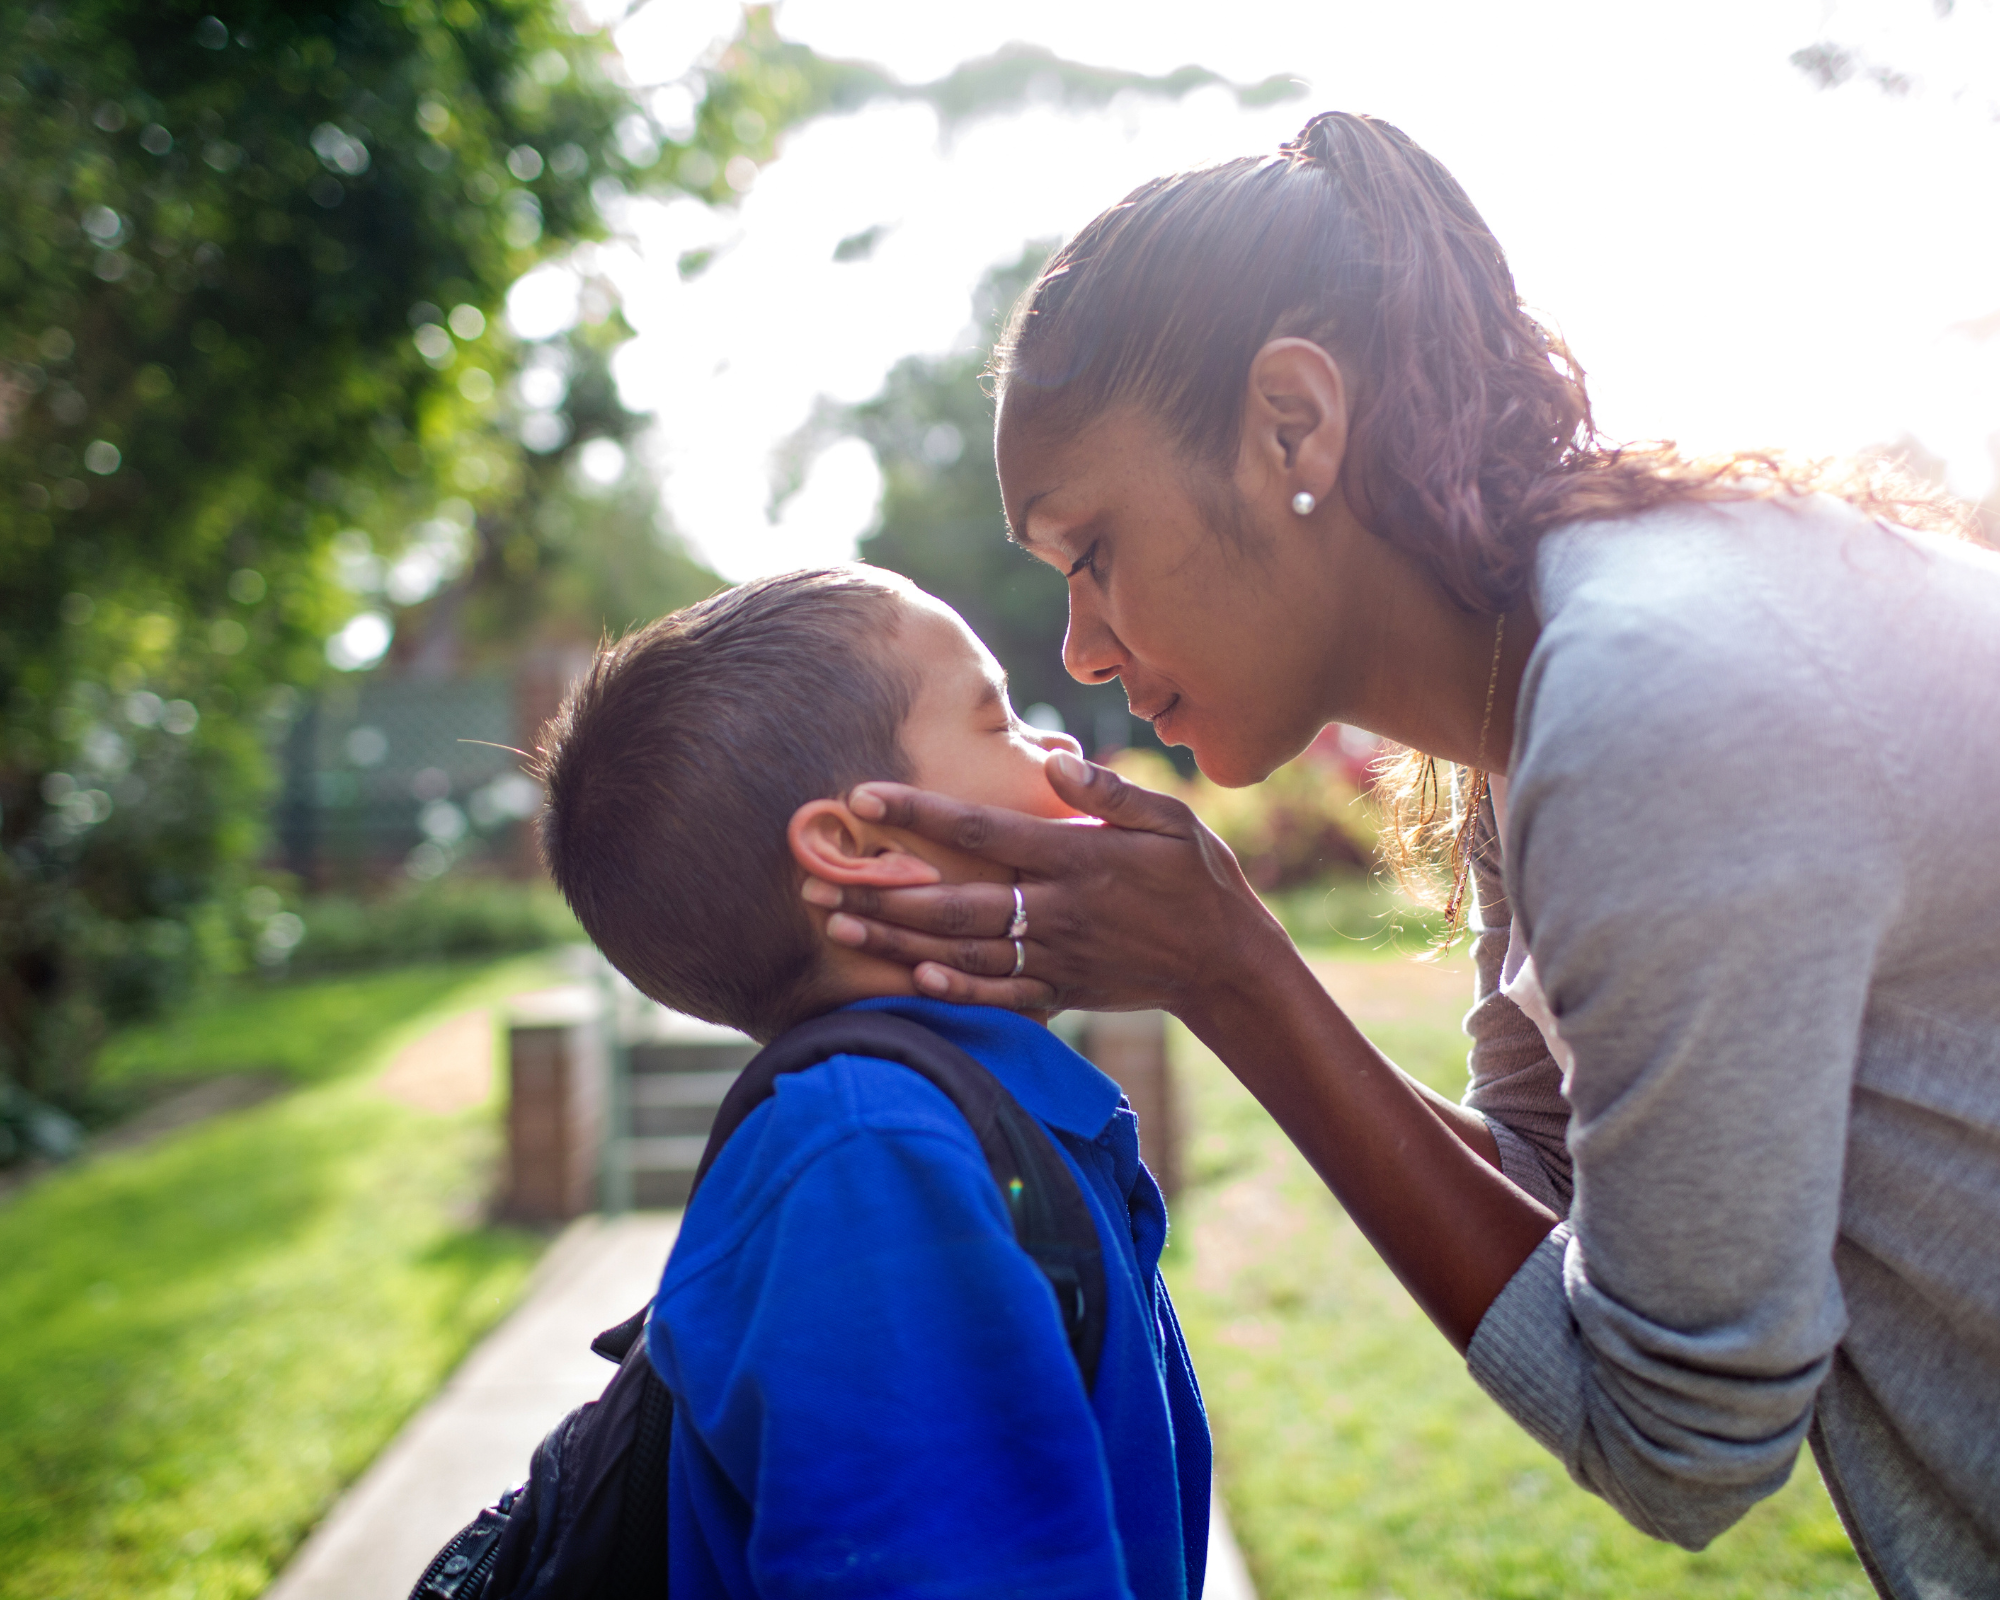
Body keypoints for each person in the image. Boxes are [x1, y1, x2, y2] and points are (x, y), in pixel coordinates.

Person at [799, 113, 2000, 1598]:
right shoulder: (1542, 676)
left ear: (1293, 423)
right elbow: (1562, 1198)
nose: (1083, 650)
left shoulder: (1656, 696)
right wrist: (1228, 963)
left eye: (1091, 548)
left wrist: (1234, 977)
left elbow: (1685, 1441)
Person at [532, 567, 1210, 1599]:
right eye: (1000, 722)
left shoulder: (942, 1119)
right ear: (860, 848)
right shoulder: (872, 1164)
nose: (1059, 745)